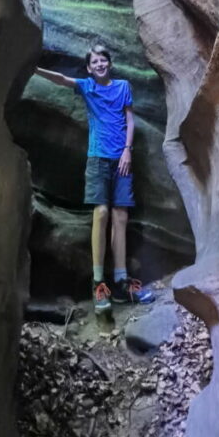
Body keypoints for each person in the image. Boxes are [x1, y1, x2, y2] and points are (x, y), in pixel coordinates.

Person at [35, 44, 155, 313]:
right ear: (89, 68)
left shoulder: (123, 86)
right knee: (101, 213)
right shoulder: (87, 87)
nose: (100, 64)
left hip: (121, 159)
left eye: (103, 60)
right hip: (98, 159)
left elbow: (130, 120)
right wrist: (33, 68)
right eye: (95, 62)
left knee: (121, 216)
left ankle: (122, 281)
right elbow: (62, 79)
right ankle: (99, 282)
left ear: (109, 64)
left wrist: (127, 151)